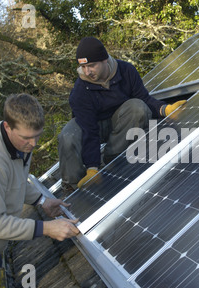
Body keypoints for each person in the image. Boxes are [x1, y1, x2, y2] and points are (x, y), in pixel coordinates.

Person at [0, 93, 79, 288]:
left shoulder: (19, 144)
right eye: (27, 138)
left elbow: (15, 181)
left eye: (37, 136)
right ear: (7, 127)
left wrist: (42, 200)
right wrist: (46, 228)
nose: (33, 144)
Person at [58, 36, 186, 189]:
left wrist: (165, 109)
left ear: (104, 60)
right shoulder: (80, 91)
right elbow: (89, 130)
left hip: (119, 122)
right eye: (83, 67)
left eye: (91, 66)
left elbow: (144, 98)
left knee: (138, 107)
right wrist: (92, 167)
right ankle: (73, 186)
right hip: (92, 126)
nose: (87, 72)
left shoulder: (126, 71)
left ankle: (113, 158)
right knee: (67, 136)